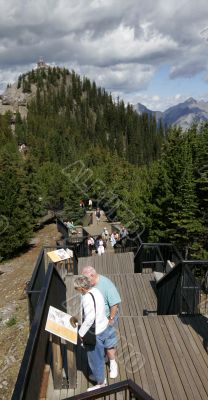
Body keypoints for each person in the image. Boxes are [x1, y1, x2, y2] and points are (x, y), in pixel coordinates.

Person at [73, 275, 117, 391]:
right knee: (100, 353)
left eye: (77, 289)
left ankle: (101, 382)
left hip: (95, 332)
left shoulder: (87, 298)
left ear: (82, 289)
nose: (77, 291)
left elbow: (90, 318)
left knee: (94, 358)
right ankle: (99, 375)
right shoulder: (96, 291)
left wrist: (81, 333)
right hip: (103, 327)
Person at [81, 266, 121, 379]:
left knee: (109, 343)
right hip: (96, 321)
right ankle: (102, 360)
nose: (85, 283)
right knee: (98, 342)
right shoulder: (90, 285)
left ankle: (113, 363)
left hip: (108, 318)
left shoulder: (106, 284)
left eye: (86, 280)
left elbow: (115, 304)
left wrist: (111, 320)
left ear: (93, 276)